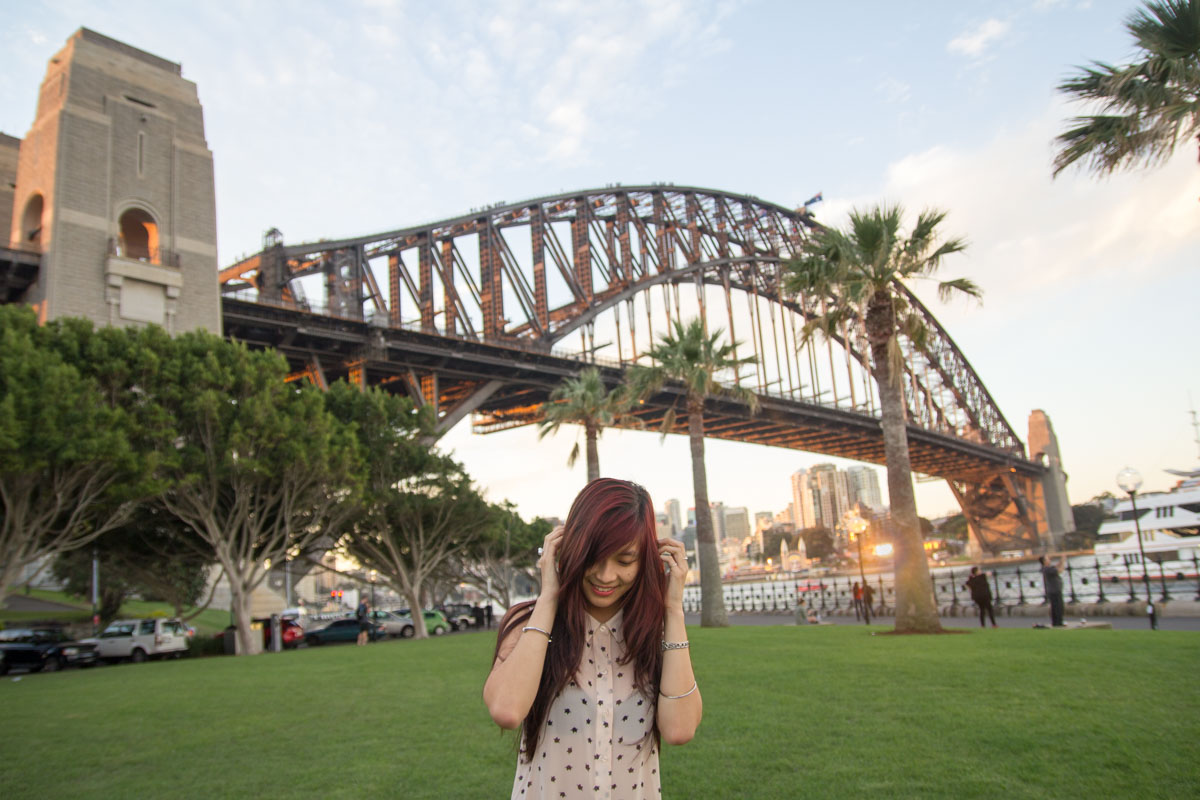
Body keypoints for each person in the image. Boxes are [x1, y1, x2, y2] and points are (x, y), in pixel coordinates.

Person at [484, 478, 701, 800]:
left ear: (646, 561)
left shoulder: (653, 633)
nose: (605, 576)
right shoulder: (529, 625)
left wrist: (672, 610)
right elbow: (507, 710)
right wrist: (548, 599)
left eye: (624, 561)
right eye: (592, 558)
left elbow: (679, 730)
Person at [1039, 555, 1065, 627]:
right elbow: (1060, 570)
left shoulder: (1047, 568)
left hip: (1053, 589)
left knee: (1055, 606)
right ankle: (1058, 622)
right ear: (1044, 561)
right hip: (1055, 590)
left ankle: (1056, 622)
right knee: (1058, 607)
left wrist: (1061, 560)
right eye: (1047, 559)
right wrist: (1063, 562)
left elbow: (1056, 566)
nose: (1049, 560)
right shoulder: (1047, 569)